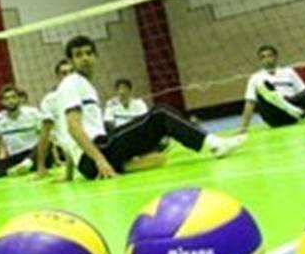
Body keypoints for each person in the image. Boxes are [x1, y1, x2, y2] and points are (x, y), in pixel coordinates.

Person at [58, 35, 246, 180]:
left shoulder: (85, 85)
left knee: (159, 148)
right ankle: (215, 145)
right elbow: (73, 127)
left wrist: (71, 174)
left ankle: (125, 164)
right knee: (160, 114)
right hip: (96, 152)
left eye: (89, 53)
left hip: (92, 157)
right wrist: (99, 160)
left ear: (96, 57)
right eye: (78, 55)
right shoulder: (72, 83)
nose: (85, 58)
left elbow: (70, 138)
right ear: (71, 61)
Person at [239, 45, 305, 132]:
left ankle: (286, 105)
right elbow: (250, 103)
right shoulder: (256, 78)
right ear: (260, 60)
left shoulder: (289, 72)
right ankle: (279, 102)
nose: (267, 59)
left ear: (276, 57)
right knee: (262, 90)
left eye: (269, 56)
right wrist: (244, 127)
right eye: (263, 57)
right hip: (273, 115)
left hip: (292, 110)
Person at [0, 84, 45, 179]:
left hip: (34, 153)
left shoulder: (33, 113)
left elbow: (44, 137)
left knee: (46, 146)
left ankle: (26, 165)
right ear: (2, 102)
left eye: (13, 97)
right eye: (6, 98)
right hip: (15, 157)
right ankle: (18, 169)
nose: (10, 101)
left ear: (19, 99)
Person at [37, 59, 78, 182]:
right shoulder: (50, 100)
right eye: (64, 73)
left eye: (71, 72)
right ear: (58, 76)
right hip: (72, 152)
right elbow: (45, 134)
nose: (68, 76)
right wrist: (41, 166)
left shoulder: (85, 94)